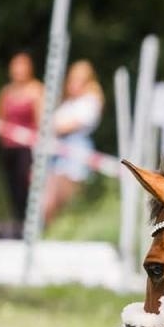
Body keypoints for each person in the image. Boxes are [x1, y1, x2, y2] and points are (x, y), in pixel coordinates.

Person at [40, 60, 103, 228]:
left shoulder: (90, 102)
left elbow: (62, 126)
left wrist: (52, 126)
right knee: (48, 205)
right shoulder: (69, 103)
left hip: (74, 158)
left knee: (62, 205)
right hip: (58, 158)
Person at [0, 52, 42, 238]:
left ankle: (30, 223)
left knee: (26, 185)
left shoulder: (36, 90)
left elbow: (40, 120)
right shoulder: (7, 91)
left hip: (27, 149)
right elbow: (0, 117)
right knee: (12, 186)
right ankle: (18, 223)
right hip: (9, 147)